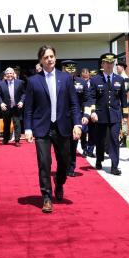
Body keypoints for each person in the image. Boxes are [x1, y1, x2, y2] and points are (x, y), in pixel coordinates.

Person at [24, 45, 82, 213]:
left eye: (51, 56)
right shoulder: (34, 81)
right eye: (46, 57)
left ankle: (59, 182)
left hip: (62, 127)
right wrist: (28, 129)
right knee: (44, 163)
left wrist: (77, 124)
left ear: (55, 58)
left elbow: (74, 104)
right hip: (42, 128)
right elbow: (28, 108)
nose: (49, 59)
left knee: (64, 163)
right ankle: (47, 197)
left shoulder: (65, 78)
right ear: (41, 60)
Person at [86, 53, 128, 175]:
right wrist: (93, 112)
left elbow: (123, 100)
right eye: (107, 63)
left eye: (111, 63)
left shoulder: (119, 79)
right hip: (100, 115)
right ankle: (99, 159)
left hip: (115, 115)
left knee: (114, 140)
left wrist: (124, 117)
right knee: (100, 140)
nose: (109, 65)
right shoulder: (95, 79)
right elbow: (91, 98)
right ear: (102, 64)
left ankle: (114, 165)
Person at [63, 60, 87, 177]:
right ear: (63, 69)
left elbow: (87, 99)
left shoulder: (81, 82)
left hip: (75, 117)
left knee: (73, 144)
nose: (70, 71)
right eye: (68, 69)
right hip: (62, 118)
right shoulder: (59, 82)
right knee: (63, 145)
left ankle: (71, 167)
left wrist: (86, 115)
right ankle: (63, 166)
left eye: (72, 69)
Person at [0, 67, 25, 146]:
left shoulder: (20, 82)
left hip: (16, 107)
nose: (9, 75)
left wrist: (21, 101)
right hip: (6, 107)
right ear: (5, 75)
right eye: (8, 73)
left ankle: (17, 140)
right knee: (6, 124)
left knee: (17, 124)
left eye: (11, 73)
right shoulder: (1, 84)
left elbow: (24, 93)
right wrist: (1, 103)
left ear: (14, 74)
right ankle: (5, 139)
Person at [80, 68, 95, 157]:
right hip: (83, 111)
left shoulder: (92, 83)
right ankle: (84, 148)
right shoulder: (79, 84)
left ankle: (90, 150)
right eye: (84, 77)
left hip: (92, 110)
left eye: (87, 77)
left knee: (92, 131)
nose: (85, 79)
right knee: (84, 131)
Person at [116, 60, 129, 148]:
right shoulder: (121, 77)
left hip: (123, 103)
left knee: (123, 121)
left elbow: (123, 91)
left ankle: (124, 140)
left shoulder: (124, 78)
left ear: (122, 67)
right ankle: (121, 138)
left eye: (118, 67)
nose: (117, 69)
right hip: (121, 102)